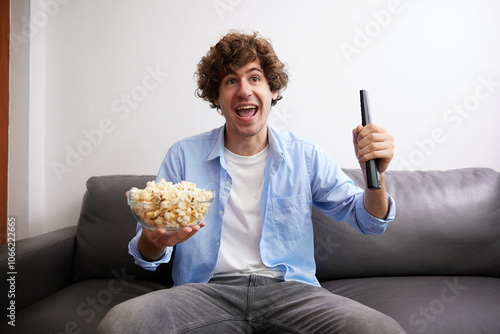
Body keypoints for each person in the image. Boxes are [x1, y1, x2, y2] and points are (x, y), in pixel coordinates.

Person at [97, 30, 405, 333]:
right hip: (205, 293)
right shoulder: (183, 156)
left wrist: (374, 174)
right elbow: (148, 252)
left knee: (379, 328)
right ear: (216, 97)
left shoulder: (305, 154)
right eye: (231, 81)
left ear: (272, 90)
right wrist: (152, 242)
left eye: (254, 77)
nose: (244, 90)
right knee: (120, 324)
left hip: (291, 294)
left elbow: (369, 220)